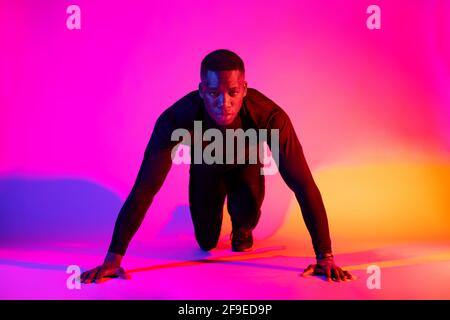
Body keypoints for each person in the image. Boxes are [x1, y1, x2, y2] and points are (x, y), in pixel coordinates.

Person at [81, 49, 353, 284]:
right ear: (201, 91)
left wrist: (325, 256)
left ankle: (242, 228)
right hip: (205, 169)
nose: (224, 103)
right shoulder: (176, 118)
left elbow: (303, 185)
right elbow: (145, 188)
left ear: (244, 89)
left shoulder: (270, 117)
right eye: (213, 93)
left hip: (246, 165)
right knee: (207, 241)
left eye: (233, 92)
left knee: (244, 223)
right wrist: (113, 258)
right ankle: (210, 223)